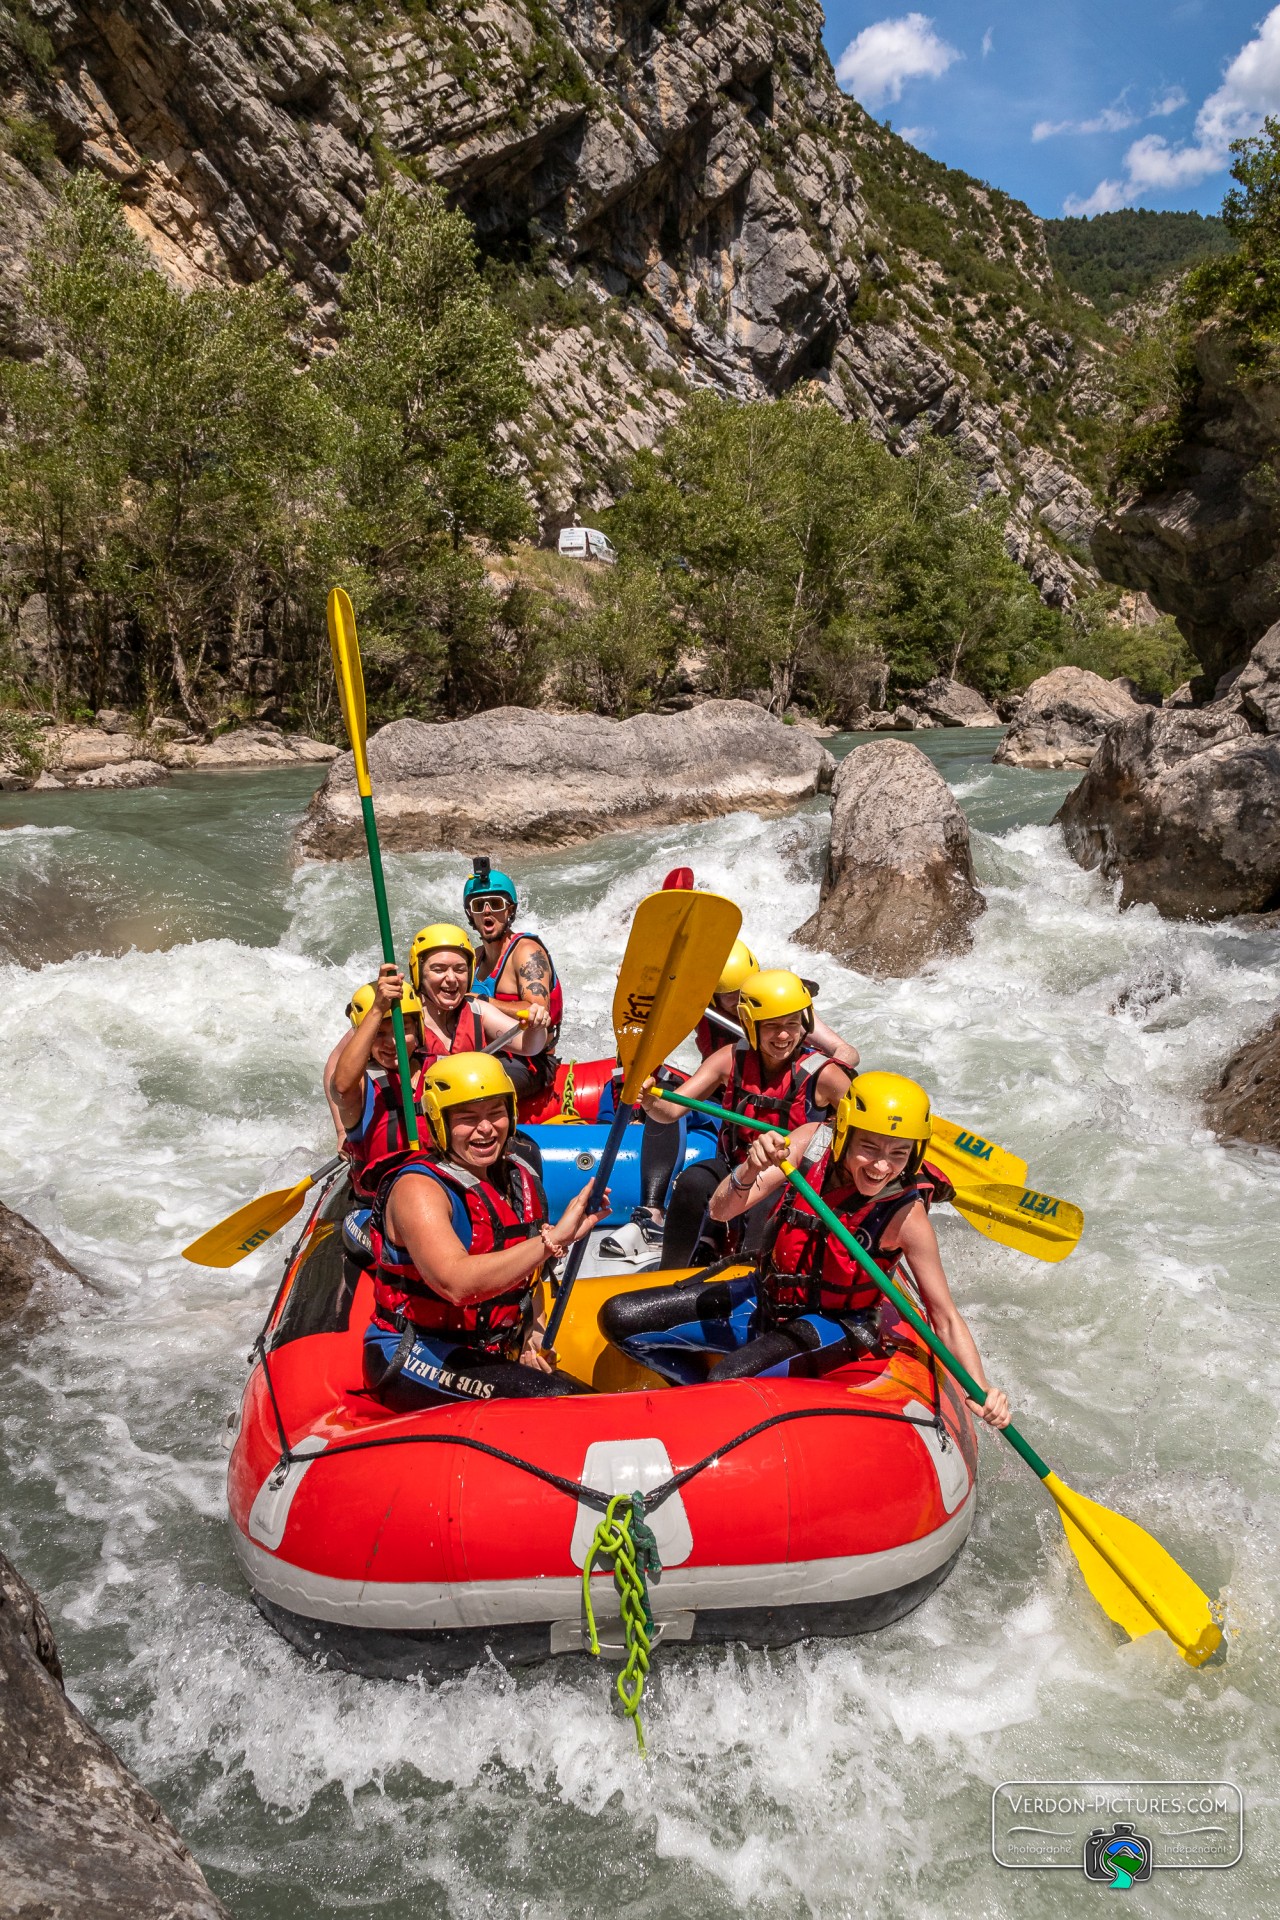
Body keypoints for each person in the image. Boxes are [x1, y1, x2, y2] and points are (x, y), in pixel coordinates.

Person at [601, 1071, 1012, 1429]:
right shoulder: (809, 1144)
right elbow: (721, 1209)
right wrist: (748, 1168)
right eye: (869, 1147)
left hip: (835, 1325)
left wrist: (981, 1390)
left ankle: (710, 1409)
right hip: (764, 1299)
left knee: (726, 1379)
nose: (881, 1167)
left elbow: (943, 1314)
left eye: (898, 1153)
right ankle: (696, 1400)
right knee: (618, 1318)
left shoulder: (907, 1217)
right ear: (844, 1133)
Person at [363, 1053, 609, 1407]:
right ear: (439, 1124)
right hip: (413, 1351)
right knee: (558, 1400)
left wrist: (531, 1339)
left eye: (496, 1113)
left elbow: (530, 1280)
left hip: (486, 1349)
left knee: (582, 1402)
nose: (486, 1129)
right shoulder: (417, 1189)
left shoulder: (518, 1175)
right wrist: (554, 1239)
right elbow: (456, 1284)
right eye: (467, 1119)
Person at [640, 969, 857, 1267]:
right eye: (772, 1026)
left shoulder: (826, 1075)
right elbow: (670, 1112)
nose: (783, 1035)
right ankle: (668, 1274)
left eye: (792, 1025)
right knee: (692, 1181)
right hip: (736, 1167)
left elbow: (862, 1128)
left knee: (765, 1203)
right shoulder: (729, 1059)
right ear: (751, 1026)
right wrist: (649, 1100)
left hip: (790, 1181)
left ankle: (750, 1282)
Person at [463, 857, 563, 1099]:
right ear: (470, 915)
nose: (487, 912)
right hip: (486, 1054)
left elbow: (538, 1010)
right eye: (479, 906)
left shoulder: (526, 952)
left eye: (495, 904)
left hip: (531, 1061)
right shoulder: (472, 959)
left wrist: (483, 1002)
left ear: (510, 910)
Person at [327, 964, 427, 1202]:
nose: (393, 1042)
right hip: (378, 1204)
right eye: (379, 1034)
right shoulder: (361, 1086)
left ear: (419, 1030)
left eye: (404, 1029)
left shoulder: (441, 1069)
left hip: (439, 1193)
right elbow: (340, 1087)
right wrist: (377, 1009)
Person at [408, 921, 551, 1067]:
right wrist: (381, 1008)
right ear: (418, 974)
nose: (451, 979)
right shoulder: (405, 1016)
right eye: (439, 970)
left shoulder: (477, 1011)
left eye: (460, 969)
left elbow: (529, 1047)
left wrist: (536, 1028)